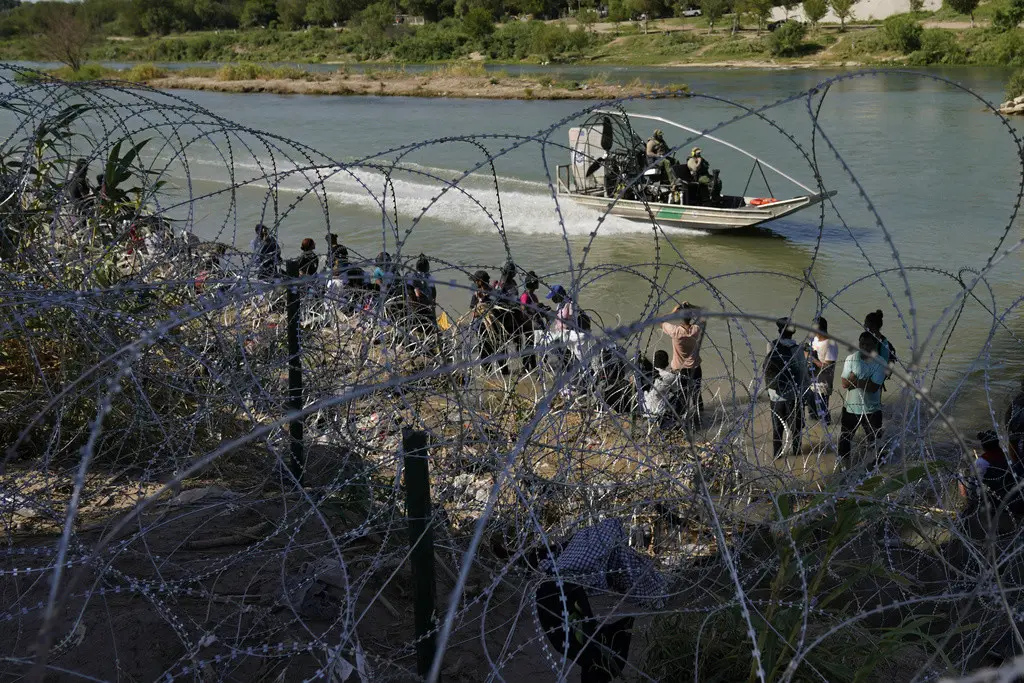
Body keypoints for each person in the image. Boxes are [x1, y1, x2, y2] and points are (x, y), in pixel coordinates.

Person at [838, 332, 887, 466]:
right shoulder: (851, 358)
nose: (864, 347)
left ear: (875, 345)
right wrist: (863, 381)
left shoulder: (880, 362)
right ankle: (844, 468)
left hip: (871, 409)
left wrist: (854, 380)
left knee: (875, 442)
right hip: (851, 407)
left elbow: (873, 387)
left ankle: (878, 470)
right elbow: (844, 383)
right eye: (862, 343)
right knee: (845, 440)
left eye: (868, 344)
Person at [765, 318, 809, 459]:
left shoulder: (771, 345)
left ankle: (777, 457)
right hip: (793, 394)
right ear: (793, 332)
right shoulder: (798, 349)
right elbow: (803, 372)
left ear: (779, 331)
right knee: (796, 429)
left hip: (776, 394)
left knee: (777, 429)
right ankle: (797, 455)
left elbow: (768, 369)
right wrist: (806, 394)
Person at [961, 430, 1024, 517]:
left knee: (961, 476)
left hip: (989, 497)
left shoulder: (981, 462)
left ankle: (968, 505)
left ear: (983, 446)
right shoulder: (1007, 456)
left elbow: (974, 482)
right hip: (1005, 492)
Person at [660, 302, 704, 426]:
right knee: (696, 396)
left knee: (680, 397)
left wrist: (673, 312)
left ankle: (679, 423)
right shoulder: (696, 329)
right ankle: (699, 420)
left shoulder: (675, 331)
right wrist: (692, 306)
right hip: (695, 368)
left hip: (680, 370)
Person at [807, 316, 838, 425]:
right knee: (812, 413)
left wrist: (812, 359)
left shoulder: (830, 344)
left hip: (823, 385)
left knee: (823, 415)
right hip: (811, 382)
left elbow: (828, 367)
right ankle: (816, 434)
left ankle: (827, 436)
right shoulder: (814, 339)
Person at [643, 349, 679, 429]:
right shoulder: (670, 376)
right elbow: (676, 388)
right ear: (667, 363)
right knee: (678, 396)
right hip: (658, 410)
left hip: (645, 408)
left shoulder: (647, 374)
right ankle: (667, 422)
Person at [518, 271, 546, 372]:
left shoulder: (533, 296)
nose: (538, 284)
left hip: (535, 323)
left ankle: (533, 366)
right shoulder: (526, 296)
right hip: (528, 324)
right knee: (530, 345)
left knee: (533, 345)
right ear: (532, 283)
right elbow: (523, 309)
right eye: (536, 282)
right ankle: (525, 366)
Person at [864, 309, 897, 389]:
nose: (864, 326)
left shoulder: (885, 344)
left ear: (873, 326)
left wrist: (881, 377)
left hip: (876, 381)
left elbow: (891, 362)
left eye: (866, 324)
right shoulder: (867, 341)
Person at [406, 254, 437, 339]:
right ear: (427, 267)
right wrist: (432, 302)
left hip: (415, 305)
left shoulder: (411, 276)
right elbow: (433, 291)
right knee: (430, 325)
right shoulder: (429, 277)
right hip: (424, 304)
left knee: (417, 326)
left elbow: (410, 291)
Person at [1006, 376, 1024, 462]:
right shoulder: (1017, 400)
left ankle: (1015, 465)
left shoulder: (1016, 400)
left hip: (1015, 432)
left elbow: (1008, 416)